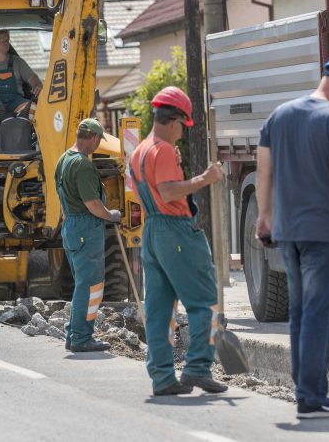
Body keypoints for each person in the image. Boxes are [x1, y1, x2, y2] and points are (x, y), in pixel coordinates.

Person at [256, 53, 329, 419]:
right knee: (322, 316)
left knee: (301, 313)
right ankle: (312, 396)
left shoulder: (280, 116)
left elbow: (264, 172)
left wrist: (264, 216)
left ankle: (307, 392)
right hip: (327, 234)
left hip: (289, 233)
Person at [129, 86, 227, 396]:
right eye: (181, 128)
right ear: (173, 121)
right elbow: (170, 191)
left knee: (158, 309)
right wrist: (205, 179)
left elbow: (154, 189)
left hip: (152, 234)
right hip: (176, 232)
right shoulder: (164, 150)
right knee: (204, 302)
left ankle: (162, 377)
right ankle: (197, 368)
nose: (181, 135)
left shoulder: (140, 150)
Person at [54, 118, 122, 352]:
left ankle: (74, 334)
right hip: (85, 228)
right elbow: (92, 203)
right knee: (90, 285)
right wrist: (111, 215)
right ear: (92, 137)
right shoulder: (82, 164)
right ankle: (82, 337)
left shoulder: (63, 159)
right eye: (98, 141)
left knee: (81, 285)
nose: (97, 146)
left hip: (71, 226)